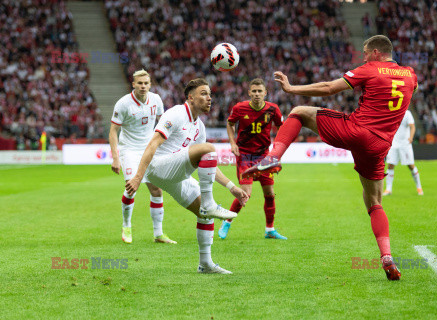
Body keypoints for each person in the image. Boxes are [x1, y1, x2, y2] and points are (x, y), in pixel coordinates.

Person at [243, 35, 418, 281]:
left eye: (366, 52)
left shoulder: (370, 68)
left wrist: (293, 88)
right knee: (374, 202)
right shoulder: (410, 74)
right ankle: (386, 257)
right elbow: (407, 91)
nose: (364, 56)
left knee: (299, 112)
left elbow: (328, 88)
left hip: (357, 130)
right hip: (380, 145)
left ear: (377, 52)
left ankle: (273, 157)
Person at [126, 78, 249, 274]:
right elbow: (152, 145)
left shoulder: (199, 126)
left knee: (204, 215)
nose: (209, 98)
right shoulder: (175, 113)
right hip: (159, 168)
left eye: (210, 94)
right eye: (203, 93)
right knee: (208, 150)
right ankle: (209, 204)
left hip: (177, 175)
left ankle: (205, 264)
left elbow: (209, 162)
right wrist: (137, 177)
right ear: (190, 98)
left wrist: (232, 187)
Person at [110, 69, 176, 244]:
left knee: (156, 189)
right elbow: (113, 131)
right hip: (129, 150)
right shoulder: (123, 104)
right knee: (132, 188)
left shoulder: (156, 100)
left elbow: (164, 124)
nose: (143, 86)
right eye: (139, 83)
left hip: (149, 149)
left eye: (146, 83)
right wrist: (115, 158)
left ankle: (158, 234)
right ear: (133, 84)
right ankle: (126, 226)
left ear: (150, 84)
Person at [218, 78, 286, 240]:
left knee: (269, 194)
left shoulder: (272, 109)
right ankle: (226, 222)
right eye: (254, 91)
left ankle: (270, 229)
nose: (256, 94)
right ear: (249, 92)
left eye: (259, 91)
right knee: (245, 194)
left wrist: (277, 150)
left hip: (264, 156)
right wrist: (232, 143)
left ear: (265, 93)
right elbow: (230, 123)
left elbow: (282, 127)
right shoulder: (239, 108)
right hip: (245, 156)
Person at [383, 109, 423, 196]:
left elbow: (412, 126)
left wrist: (411, 137)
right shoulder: (391, 113)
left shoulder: (407, 113)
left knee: (411, 166)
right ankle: (388, 189)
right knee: (390, 165)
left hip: (405, 144)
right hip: (393, 143)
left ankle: (419, 187)